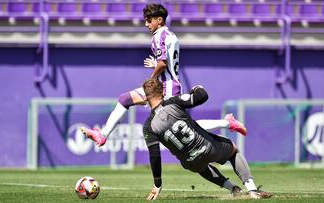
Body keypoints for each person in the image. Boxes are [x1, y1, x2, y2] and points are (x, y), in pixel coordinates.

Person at [80, 3, 247, 146]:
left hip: (166, 88)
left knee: (185, 127)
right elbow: (165, 62)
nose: (146, 24)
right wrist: (156, 67)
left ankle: (227, 123)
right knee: (125, 99)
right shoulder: (170, 36)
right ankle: (103, 134)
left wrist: (152, 80)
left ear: (159, 20)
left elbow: (163, 63)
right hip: (166, 84)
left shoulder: (158, 36)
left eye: (149, 20)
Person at [142, 79, 272, 200]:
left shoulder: (148, 126)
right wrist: (197, 88)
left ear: (146, 97)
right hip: (207, 147)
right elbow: (202, 96)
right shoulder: (173, 102)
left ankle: (232, 188)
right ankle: (252, 190)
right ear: (163, 92)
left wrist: (157, 184)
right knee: (233, 151)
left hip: (189, 162)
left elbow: (155, 156)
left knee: (201, 168)